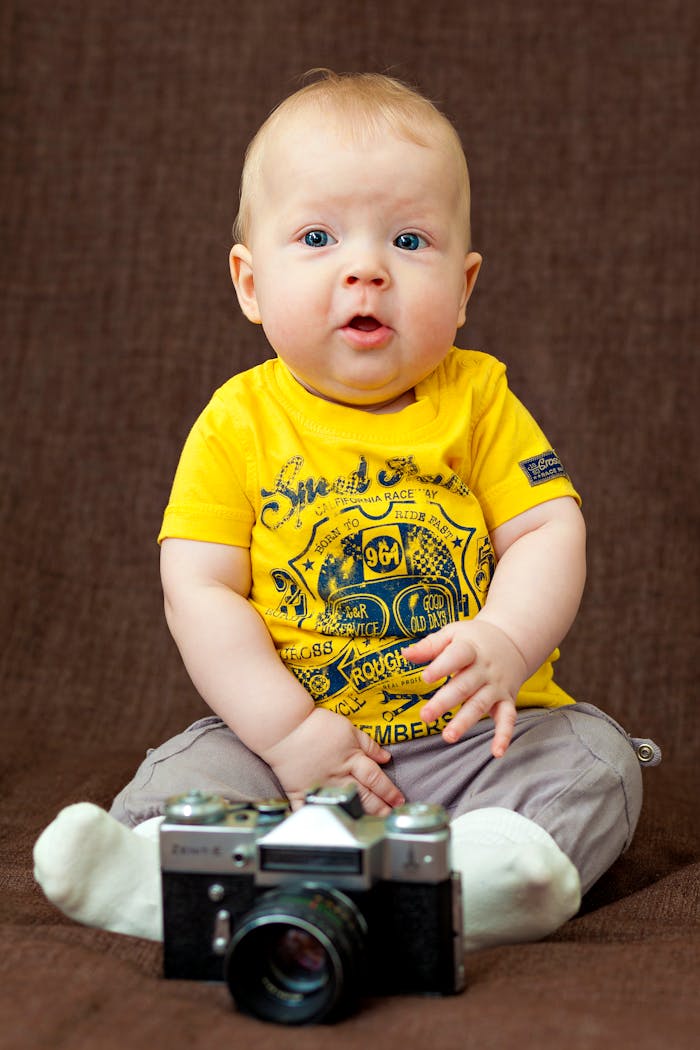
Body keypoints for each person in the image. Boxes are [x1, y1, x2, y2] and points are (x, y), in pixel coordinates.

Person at [34, 70, 656, 952]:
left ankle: (477, 877)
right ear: (250, 284)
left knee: (598, 758)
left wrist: (510, 641)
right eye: (319, 237)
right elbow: (198, 588)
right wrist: (289, 733)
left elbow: (549, 527)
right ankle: (157, 876)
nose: (365, 267)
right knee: (191, 767)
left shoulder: (481, 401)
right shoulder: (238, 422)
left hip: (470, 741)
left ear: (466, 284)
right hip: (286, 742)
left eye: (409, 239)